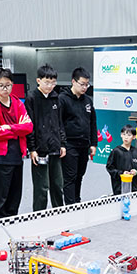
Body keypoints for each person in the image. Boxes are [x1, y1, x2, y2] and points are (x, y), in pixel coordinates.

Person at [0, 67, 33, 219]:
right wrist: (18, 129)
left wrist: (9, 127)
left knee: (14, 198)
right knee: (0, 199)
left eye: (8, 85)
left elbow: (29, 127)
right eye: (1, 85)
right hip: (0, 158)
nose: (5, 89)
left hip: (17, 156)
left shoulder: (18, 103)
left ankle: (13, 225)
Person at [25, 63, 66, 211]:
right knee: (42, 187)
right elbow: (29, 125)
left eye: (53, 83)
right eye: (47, 82)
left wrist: (62, 144)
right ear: (38, 81)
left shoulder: (56, 97)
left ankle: (59, 213)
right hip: (40, 149)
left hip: (55, 147)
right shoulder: (31, 98)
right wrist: (32, 149)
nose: (50, 86)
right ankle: (38, 216)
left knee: (57, 185)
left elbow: (60, 123)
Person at [59, 67, 97, 204]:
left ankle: (77, 201)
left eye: (87, 84)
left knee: (80, 175)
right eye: (82, 84)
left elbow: (92, 123)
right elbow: (59, 123)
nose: (85, 87)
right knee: (70, 176)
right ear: (73, 82)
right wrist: (62, 144)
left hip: (84, 144)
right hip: (69, 144)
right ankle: (70, 206)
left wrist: (94, 143)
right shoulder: (62, 99)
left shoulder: (88, 101)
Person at [106, 125, 137, 195]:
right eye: (124, 134)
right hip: (119, 187)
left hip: (133, 187)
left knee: (133, 200)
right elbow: (110, 168)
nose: (126, 137)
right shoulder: (116, 151)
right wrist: (121, 173)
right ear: (121, 135)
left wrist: (136, 172)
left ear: (134, 137)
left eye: (129, 135)